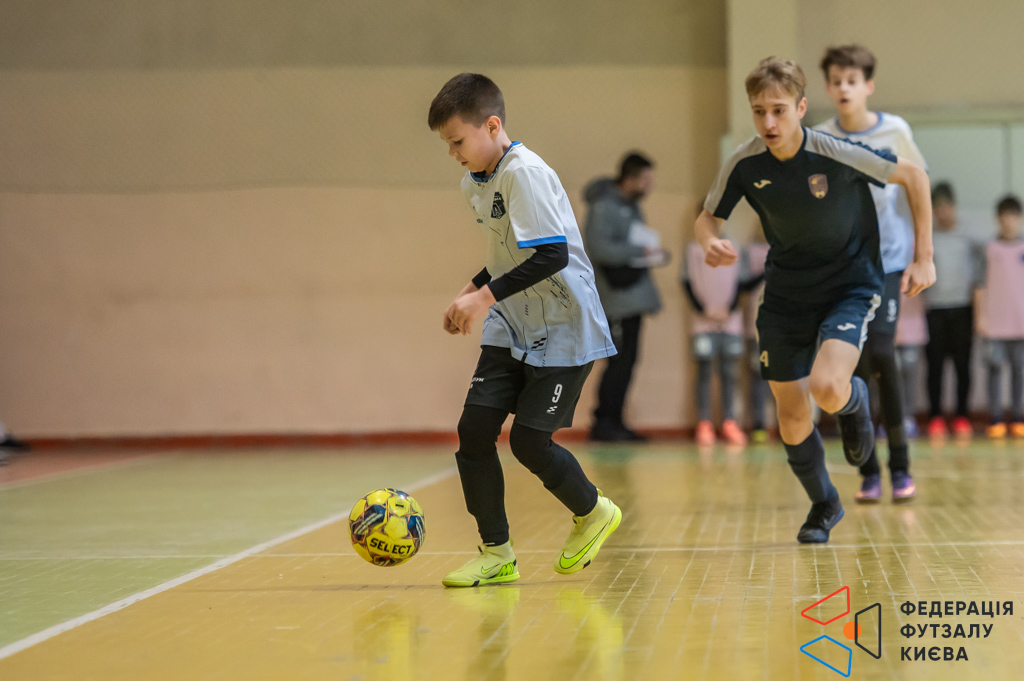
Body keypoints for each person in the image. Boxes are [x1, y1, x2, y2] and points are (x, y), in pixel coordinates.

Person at [696, 57, 934, 543]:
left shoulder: (837, 152)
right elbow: (707, 217)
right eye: (759, 111)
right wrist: (708, 241)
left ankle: (854, 402)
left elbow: (915, 177)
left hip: (850, 285)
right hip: (786, 294)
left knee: (827, 387)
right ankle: (825, 503)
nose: (768, 122)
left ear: (801, 108)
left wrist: (923, 257)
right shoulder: (745, 163)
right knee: (790, 411)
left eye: (779, 110)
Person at [427, 73, 621, 587]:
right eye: (447, 144)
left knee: (530, 442)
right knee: (474, 432)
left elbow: (552, 255)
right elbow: (508, 255)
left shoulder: (525, 173)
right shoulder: (475, 182)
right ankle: (496, 554)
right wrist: (470, 290)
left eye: (457, 141)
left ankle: (594, 511)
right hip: (512, 320)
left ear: (492, 126)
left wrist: (482, 299)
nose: (452, 153)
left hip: (564, 324)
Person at [814, 44, 927, 503]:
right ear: (827, 88)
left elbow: (917, 186)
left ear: (868, 86)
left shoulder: (894, 131)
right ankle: (867, 471)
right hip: (843, 267)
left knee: (881, 352)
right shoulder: (820, 137)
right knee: (852, 364)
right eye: (836, 81)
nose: (844, 88)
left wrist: (924, 255)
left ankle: (900, 466)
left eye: (852, 80)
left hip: (889, 261)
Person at [583, 153, 668, 442]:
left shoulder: (631, 207)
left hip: (632, 298)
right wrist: (639, 252)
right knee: (618, 362)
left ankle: (616, 421)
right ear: (629, 178)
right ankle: (604, 423)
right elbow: (598, 249)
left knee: (628, 361)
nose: (649, 186)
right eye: (645, 180)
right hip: (615, 299)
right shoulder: (604, 206)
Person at [681, 235, 756, 446]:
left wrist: (729, 309)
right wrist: (703, 309)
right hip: (703, 324)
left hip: (730, 323)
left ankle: (729, 422)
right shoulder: (692, 250)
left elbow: (742, 283)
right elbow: (686, 282)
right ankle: (704, 423)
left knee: (729, 372)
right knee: (704, 371)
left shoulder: (736, 248)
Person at [924, 183, 981, 438]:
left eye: (945, 207)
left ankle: (962, 416)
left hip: (962, 308)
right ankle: (935, 416)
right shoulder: (927, 237)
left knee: (962, 365)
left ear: (953, 207)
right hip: (935, 308)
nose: (942, 212)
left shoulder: (969, 237)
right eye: (936, 208)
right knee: (934, 365)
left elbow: (985, 266)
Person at [978, 195, 1024, 439]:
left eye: (1013, 216)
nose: (1009, 221)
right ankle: (995, 418)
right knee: (994, 371)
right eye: (1005, 216)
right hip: (994, 324)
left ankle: (1018, 417)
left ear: (1020, 218)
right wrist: (981, 318)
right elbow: (979, 286)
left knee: (1020, 372)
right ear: (998, 218)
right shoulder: (989, 249)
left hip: (1020, 324)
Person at [745, 229, 772, 443]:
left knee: (789, 376)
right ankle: (759, 424)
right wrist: (767, 270)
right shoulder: (751, 252)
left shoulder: (791, 248)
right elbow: (743, 285)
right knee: (758, 375)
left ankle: (789, 424)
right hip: (757, 325)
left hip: (785, 326)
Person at [894, 291, 928, 439]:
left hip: (912, 327)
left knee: (910, 375)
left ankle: (909, 418)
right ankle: (890, 418)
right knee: (889, 376)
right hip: (888, 327)